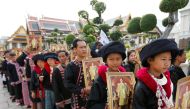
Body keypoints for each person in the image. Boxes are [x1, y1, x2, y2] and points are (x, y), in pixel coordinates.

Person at [133, 39, 178, 109]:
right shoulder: (141, 86)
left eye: (169, 59)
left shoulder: (167, 78)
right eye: (163, 59)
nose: (167, 63)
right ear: (150, 60)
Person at [87, 41, 127, 109]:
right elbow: (91, 104)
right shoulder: (99, 81)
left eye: (118, 59)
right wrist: (106, 107)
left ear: (122, 60)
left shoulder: (126, 78)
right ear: (106, 61)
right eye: (111, 59)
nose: (115, 62)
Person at [64, 39, 89, 109]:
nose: (84, 49)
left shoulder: (91, 64)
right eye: (81, 47)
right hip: (78, 100)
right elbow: (67, 84)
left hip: (92, 100)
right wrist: (82, 90)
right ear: (75, 49)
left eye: (85, 47)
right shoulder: (70, 66)